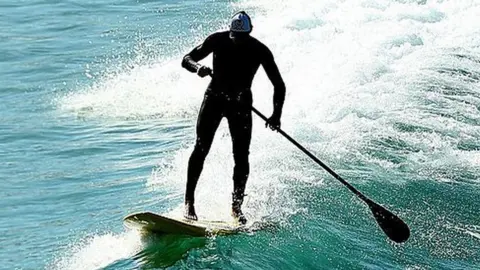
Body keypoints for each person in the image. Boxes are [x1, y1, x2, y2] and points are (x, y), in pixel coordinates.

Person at [181, 11, 286, 224]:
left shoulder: (260, 50)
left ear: (249, 32)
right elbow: (187, 59)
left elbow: (279, 85)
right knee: (201, 147)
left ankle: (236, 207)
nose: (237, 41)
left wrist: (276, 115)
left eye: (241, 37)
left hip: (241, 105)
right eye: (234, 37)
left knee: (241, 156)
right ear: (230, 32)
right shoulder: (217, 40)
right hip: (215, 99)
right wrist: (198, 67)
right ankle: (189, 201)